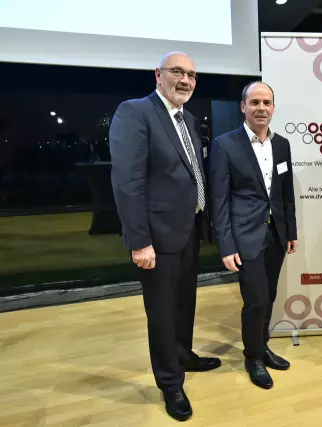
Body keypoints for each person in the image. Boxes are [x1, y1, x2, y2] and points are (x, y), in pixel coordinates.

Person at [109, 52, 220, 422]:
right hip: (155, 238)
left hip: (188, 232)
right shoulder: (135, 112)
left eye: (191, 74)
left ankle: (183, 355)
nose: (185, 80)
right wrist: (139, 241)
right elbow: (127, 183)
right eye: (177, 72)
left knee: (184, 302)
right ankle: (170, 382)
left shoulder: (187, 119)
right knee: (160, 312)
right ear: (158, 75)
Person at [209, 81, 297, 389]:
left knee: (269, 296)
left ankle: (262, 346)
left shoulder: (283, 144)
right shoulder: (225, 144)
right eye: (255, 102)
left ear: (274, 108)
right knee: (256, 299)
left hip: (276, 235)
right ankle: (253, 358)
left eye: (267, 102)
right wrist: (225, 243)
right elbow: (218, 200)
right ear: (243, 106)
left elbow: (286, 193)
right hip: (244, 235)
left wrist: (291, 231)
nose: (262, 108)